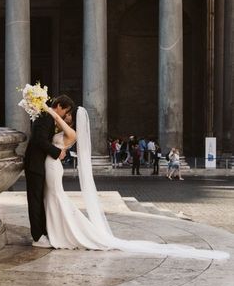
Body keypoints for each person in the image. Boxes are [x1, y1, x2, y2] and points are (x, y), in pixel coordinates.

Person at [40, 105, 228, 260]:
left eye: (70, 114)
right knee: (54, 198)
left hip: (54, 166)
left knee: (57, 197)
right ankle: (57, 230)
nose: (67, 117)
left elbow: (61, 128)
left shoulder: (71, 133)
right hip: (52, 164)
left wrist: (52, 112)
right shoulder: (63, 131)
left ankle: (63, 232)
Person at [24, 94, 75, 247]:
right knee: (35, 200)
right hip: (35, 164)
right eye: (65, 111)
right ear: (59, 106)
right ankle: (38, 237)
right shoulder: (46, 117)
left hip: (40, 164)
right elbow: (38, 140)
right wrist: (57, 152)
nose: (65, 115)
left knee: (40, 199)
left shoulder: (48, 116)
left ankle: (43, 232)